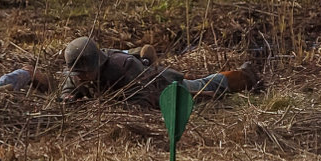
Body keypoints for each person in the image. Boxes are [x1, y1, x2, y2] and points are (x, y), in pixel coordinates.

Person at [59, 36, 259, 107]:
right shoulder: (77, 73)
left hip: (161, 84)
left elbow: (143, 100)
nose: (82, 78)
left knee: (201, 86)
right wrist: (69, 100)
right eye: (78, 74)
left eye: (85, 73)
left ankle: (245, 76)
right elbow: (66, 93)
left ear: (98, 64)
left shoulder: (123, 66)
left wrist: (110, 107)